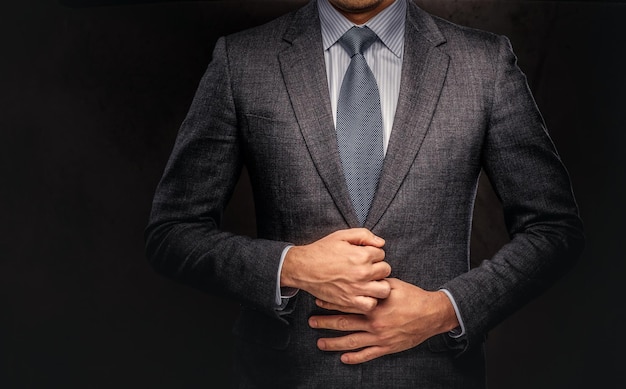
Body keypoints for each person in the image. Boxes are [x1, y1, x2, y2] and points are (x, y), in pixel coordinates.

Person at [145, 0, 584, 387]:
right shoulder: (242, 60)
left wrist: (445, 311)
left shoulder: (483, 63)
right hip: (284, 376)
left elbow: (554, 229)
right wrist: (289, 266)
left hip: (432, 376)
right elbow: (172, 233)